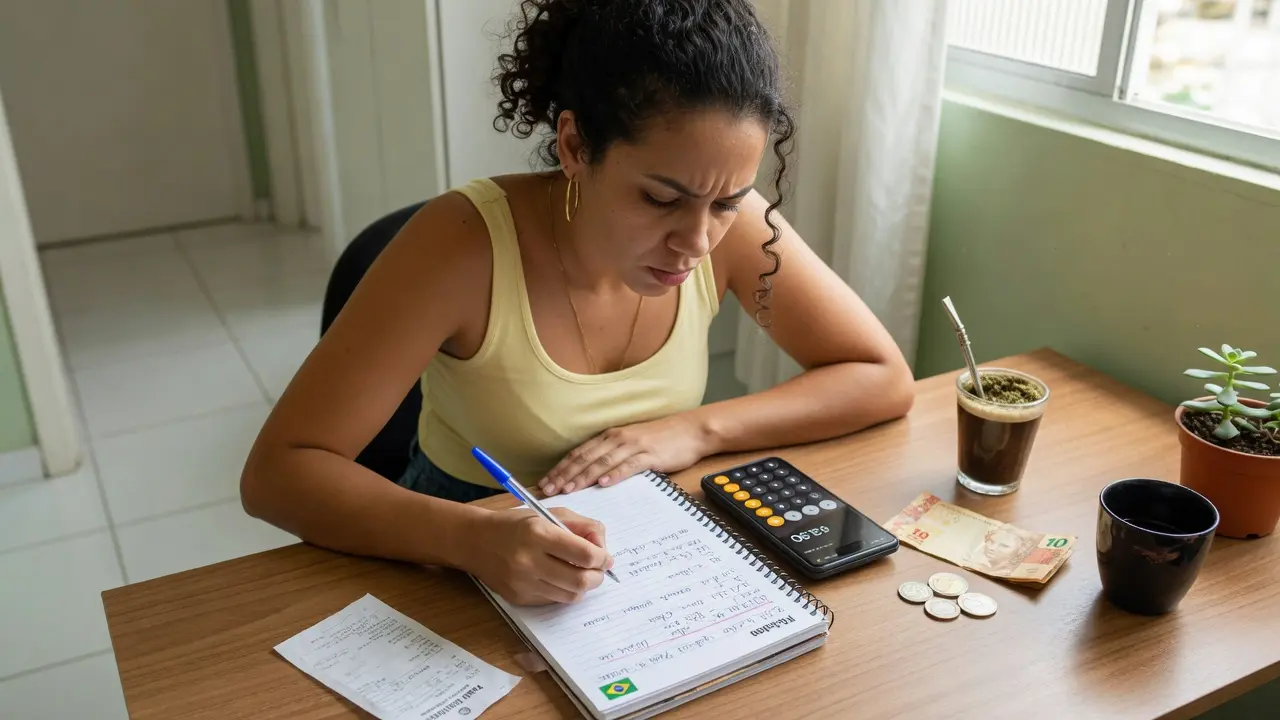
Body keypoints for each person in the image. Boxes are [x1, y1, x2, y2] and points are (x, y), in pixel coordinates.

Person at [240, 0, 915, 607]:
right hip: (456, 536)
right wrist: (470, 539)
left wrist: (695, 430)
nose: (696, 241)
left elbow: (878, 375)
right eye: (661, 198)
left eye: (727, 202)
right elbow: (277, 473)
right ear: (574, 146)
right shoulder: (460, 245)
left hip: (640, 539)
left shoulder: (724, 222)